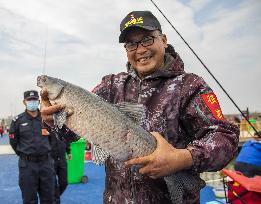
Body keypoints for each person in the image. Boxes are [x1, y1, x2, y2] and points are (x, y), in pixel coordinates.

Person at [40, 11, 240, 204]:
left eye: (147, 39)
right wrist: (55, 122)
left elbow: (225, 137)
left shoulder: (191, 86)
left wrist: (182, 158)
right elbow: (71, 135)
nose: (140, 49)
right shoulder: (110, 85)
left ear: (163, 39)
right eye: (131, 44)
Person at [9, 90, 55, 204]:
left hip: (46, 164)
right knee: (29, 200)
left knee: (49, 199)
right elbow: (13, 142)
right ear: (24, 102)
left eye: (34, 100)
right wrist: (25, 155)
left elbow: (53, 139)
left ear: (39, 101)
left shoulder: (47, 118)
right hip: (27, 166)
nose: (32, 102)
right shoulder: (17, 121)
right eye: (29, 100)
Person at [50, 132, 71, 204]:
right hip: (50, 160)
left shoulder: (61, 127)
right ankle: (55, 200)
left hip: (62, 159)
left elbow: (67, 140)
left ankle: (54, 197)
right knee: (53, 184)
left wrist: (69, 151)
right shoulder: (44, 126)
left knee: (64, 182)